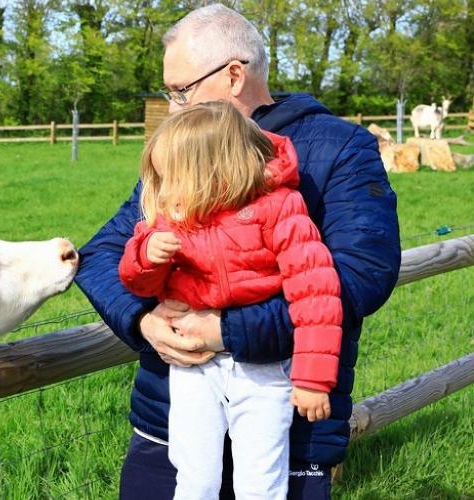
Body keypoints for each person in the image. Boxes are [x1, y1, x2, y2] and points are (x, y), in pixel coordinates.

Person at [74, 4, 401, 500]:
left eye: (181, 91)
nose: (174, 107)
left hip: (290, 419)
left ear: (232, 75)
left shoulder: (338, 149)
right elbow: (102, 253)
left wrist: (226, 332)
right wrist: (145, 322)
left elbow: (361, 276)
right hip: (171, 415)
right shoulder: (186, 152)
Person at [118, 101, 342, 499]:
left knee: (261, 480)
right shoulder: (174, 216)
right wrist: (145, 256)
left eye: (174, 176)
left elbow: (316, 293)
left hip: (262, 366)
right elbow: (139, 285)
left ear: (211, 171)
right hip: (194, 368)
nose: (165, 190)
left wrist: (312, 380)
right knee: (194, 475)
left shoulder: (279, 209)